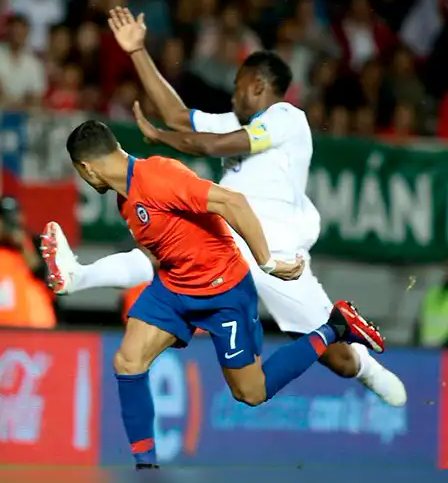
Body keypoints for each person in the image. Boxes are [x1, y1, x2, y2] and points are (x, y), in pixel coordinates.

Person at [45, 6, 406, 407]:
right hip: (228, 241)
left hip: (275, 249)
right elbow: (176, 115)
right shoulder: (235, 121)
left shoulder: (286, 118)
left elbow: (212, 145)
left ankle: (366, 366)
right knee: (159, 254)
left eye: (238, 86)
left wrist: (163, 138)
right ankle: (79, 276)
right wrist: (137, 52)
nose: (233, 95)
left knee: (337, 359)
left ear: (257, 84)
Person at [46, 120, 385, 469]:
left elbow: (232, 201)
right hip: (175, 286)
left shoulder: (157, 177)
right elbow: (154, 253)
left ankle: (337, 327)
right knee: (128, 362)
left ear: (86, 168)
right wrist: (88, 275)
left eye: (79, 172)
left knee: (251, 392)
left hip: (223, 292)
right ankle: (145, 468)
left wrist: (268, 263)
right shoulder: (126, 199)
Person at [0, 196, 54, 328]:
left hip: (30, 322)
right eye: (3, 220)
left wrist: (22, 245)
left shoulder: (35, 242)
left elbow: (41, 273)